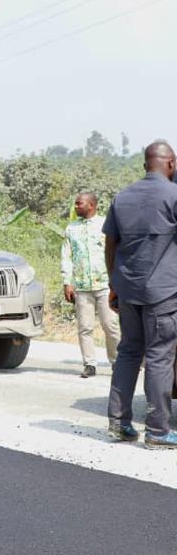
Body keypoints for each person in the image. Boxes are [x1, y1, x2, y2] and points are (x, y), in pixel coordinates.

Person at [103, 141, 177, 448]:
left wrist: (113, 284)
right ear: (171, 164)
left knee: (129, 352)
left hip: (128, 291)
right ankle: (158, 431)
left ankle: (119, 424)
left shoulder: (123, 196)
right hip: (163, 291)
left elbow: (110, 244)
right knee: (160, 357)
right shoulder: (173, 195)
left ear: (145, 164)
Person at [61, 192, 120, 378]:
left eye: (79, 203)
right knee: (85, 327)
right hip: (82, 286)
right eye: (75, 203)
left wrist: (117, 279)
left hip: (104, 284)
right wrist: (66, 282)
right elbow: (66, 256)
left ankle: (117, 362)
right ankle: (89, 364)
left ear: (91, 205)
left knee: (110, 325)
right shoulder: (71, 229)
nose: (76, 206)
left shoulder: (105, 225)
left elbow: (115, 252)